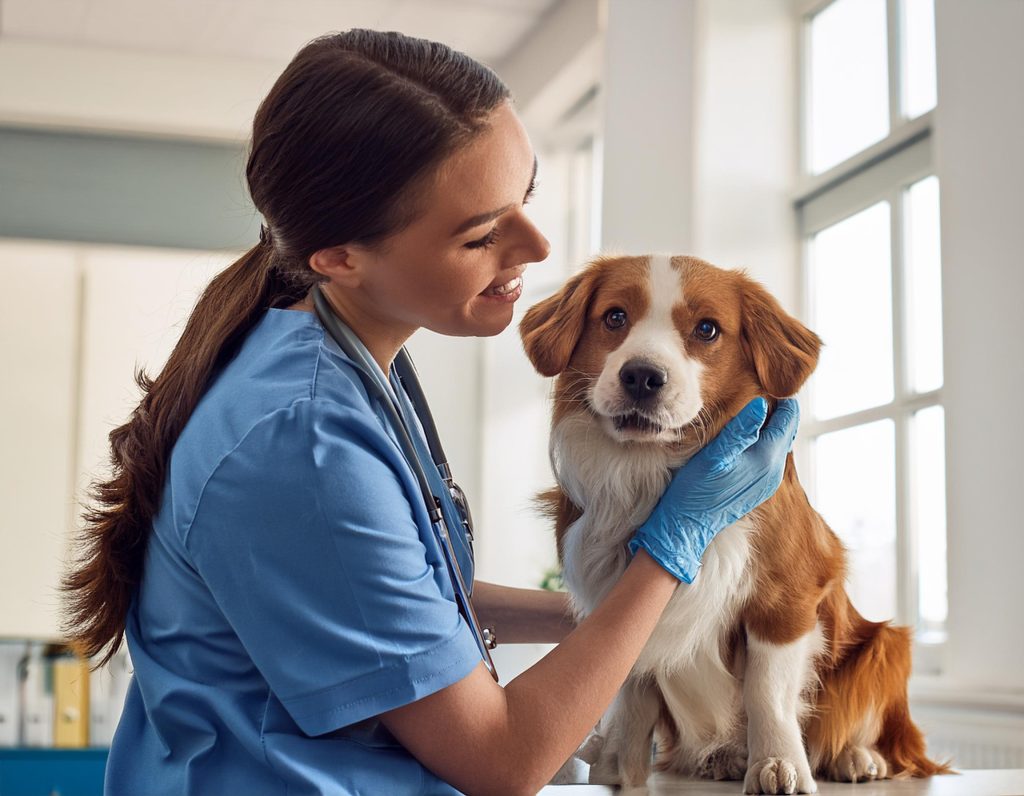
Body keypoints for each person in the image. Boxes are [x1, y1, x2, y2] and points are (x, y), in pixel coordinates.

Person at [63, 29, 800, 796]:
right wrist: (671, 548)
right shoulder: (305, 441)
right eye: (483, 233)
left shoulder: (347, 361)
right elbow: (502, 760)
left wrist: (581, 612)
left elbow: (382, 596)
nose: (537, 245)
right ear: (341, 256)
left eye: (526, 197)